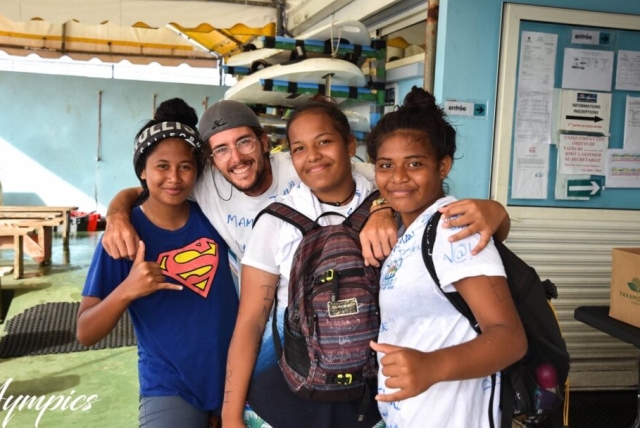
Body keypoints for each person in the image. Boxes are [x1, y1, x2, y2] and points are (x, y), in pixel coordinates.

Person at [102, 100, 511, 280]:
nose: (236, 158)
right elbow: (146, 189)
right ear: (211, 158)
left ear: (265, 143)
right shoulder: (205, 180)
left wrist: (382, 208)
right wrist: (116, 216)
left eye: (244, 143)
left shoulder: (304, 166)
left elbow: (391, 177)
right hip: (254, 301)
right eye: (221, 150)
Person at [366, 87, 527, 428]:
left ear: (443, 166)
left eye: (415, 164)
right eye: (386, 165)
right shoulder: (408, 227)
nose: (398, 177)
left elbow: (510, 337)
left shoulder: (453, 229)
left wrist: (432, 366)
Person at [77, 99, 238, 428]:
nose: (174, 178)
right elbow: (85, 332)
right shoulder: (124, 237)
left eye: (185, 166)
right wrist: (127, 290)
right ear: (142, 171)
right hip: (170, 385)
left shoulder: (215, 216)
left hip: (237, 374)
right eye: (162, 166)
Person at [222, 98, 383, 428]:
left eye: (324, 141)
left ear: (350, 145)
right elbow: (251, 321)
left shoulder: (387, 204)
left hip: (374, 397)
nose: (313, 156)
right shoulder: (276, 222)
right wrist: (230, 415)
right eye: (299, 148)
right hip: (291, 394)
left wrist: (386, 207)